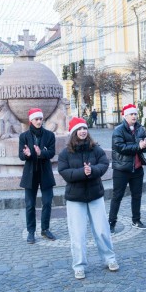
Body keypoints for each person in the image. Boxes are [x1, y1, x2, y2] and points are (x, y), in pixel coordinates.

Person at [58, 117, 119, 279]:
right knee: (77, 234)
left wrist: (92, 171)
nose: (83, 131)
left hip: (95, 195)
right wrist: (81, 172)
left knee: (101, 230)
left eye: (84, 128)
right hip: (75, 198)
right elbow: (64, 172)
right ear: (73, 133)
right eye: (79, 129)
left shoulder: (95, 149)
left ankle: (109, 258)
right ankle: (79, 265)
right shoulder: (65, 153)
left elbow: (104, 164)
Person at [109, 104, 146, 233]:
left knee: (137, 196)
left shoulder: (140, 129)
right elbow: (120, 147)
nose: (134, 116)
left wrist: (145, 145)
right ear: (125, 116)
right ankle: (111, 222)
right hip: (122, 169)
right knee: (117, 196)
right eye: (131, 114)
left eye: (135, 114)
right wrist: (139, 146)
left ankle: (136, 220)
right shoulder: (118, 130)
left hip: (137, 169)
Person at [19, 108, 57, 244]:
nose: (39, 121)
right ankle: (31, 231)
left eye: (41, 119)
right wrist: (26, 154)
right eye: (36, 119)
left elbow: (52, 153)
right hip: (30, 174)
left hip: (45, 173)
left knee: (47, 202)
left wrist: (41, 153)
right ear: (31, 120)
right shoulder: (24, 136)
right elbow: (21, 155)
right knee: (30, 205)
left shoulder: (49, 135)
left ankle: (45, 229)